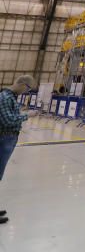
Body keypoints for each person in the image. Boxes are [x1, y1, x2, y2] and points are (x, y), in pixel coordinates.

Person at [1, 75, 36, 224]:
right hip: (4, 138)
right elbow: (8, 120)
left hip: (7, 138)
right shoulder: (5, 98)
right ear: (22, 84)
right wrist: (27, 116)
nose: (26, 92)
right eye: (28, 89)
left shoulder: (10, 97)